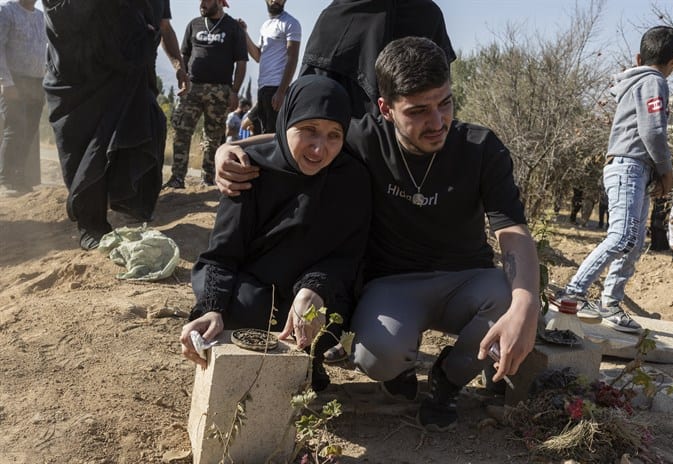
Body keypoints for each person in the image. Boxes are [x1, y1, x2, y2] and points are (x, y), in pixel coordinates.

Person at [214, 37, 540, 432]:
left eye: (445, 103)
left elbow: (512, 229)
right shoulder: (363, 139)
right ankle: (397, 370)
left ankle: (448, 379)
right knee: (375, 356)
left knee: (512, 300)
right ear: (385, 109)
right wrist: (229, 149)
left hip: (467, 279)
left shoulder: (481, 147)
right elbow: (300, 134)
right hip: (392, 283)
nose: (437, 122)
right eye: (418, 111)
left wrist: (526, 304)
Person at [179, 75, 371, 392]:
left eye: (334, 135)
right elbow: (222, 257)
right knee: (241, 305)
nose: (320, 147)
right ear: (286, 123)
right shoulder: (248, 170)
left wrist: (313, 289)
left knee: (333, 312)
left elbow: (347, 257)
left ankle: (311, 360)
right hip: (257, 290)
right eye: (308, 130)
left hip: (317, 293)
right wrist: (210, 308)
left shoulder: (351, 180)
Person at [557, 26, 673, 332]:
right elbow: (653, 131)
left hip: (633, 168)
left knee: (634, 242)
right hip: (629, 166)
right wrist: (666, 170)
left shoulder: (636, 81)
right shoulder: (654, 81)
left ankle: (610, 304)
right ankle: (572, 294)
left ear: (639, 56)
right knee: (623, 236)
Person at [43, 0, 168, 250]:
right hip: (76, 75)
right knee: (83, 145)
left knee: (143, 119)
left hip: (120, 64)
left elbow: (147, 14)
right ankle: (91, 223)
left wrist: (146, 33)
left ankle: (129, 200)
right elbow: (61, 16)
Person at [300, 0, 455, 118]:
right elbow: (310, 105)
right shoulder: (336, 18)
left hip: (420, 145)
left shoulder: (427, 14)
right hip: (348, 147)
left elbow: (442, 93)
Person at [162, 0, 247, 189]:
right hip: (192, 87)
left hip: (220, 90)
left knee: (213, 136)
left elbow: (241, 63)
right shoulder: (194, 24)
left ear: (219, 2)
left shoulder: (233, 27)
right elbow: (183, 54)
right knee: (181, 131)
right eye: (200, 1)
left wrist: (234, 91)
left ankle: (208, 178)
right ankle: (177, 178)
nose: (202, 5)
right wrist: (182, 77)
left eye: (207, 1)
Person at [0, 0, 46, 196]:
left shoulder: (40, 16)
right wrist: (6, 81)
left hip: (37, 82)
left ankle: (19, 178)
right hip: (15, 80)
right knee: (15, 129)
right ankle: (5, 181)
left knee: (29, 132)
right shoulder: (6, 11)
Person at [239, 0, 301, 133]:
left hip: (276, 87)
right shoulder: (265, 25)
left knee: (274, 136)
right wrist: (244, 33)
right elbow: (258, 56)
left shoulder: (291, 23)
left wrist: (281, 91)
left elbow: (292, 58)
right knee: (264, 133)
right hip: (263, 88)